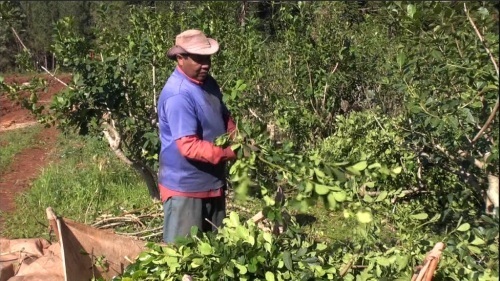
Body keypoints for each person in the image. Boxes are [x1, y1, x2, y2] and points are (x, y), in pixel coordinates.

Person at [157, 29, 238, 243]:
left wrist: (237, 137)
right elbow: (189, 147)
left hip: (212, 183)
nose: (206, 64)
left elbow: (222, 114)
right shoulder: (178, 95)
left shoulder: (208, 83)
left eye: (208, 58)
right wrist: (229, 152)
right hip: (186, 188)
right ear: (180, 58)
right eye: (199, 59)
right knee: (183, 256)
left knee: (214, 252)